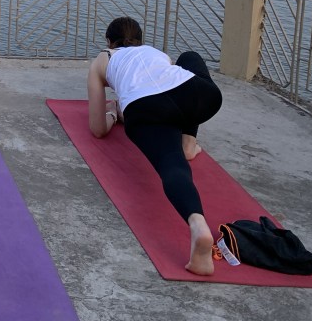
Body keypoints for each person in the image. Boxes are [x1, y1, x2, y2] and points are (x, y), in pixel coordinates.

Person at [87, 16, 223, 275]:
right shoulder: (157, 54)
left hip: (144, 109)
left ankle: (198, 225)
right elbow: (167, 90)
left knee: (170, 165)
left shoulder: (101, 60)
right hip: (197, 95)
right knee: (190, 56)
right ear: (140, 40)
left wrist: (113, 113)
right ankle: (189, 141)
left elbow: (97, 129)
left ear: (108, 41)